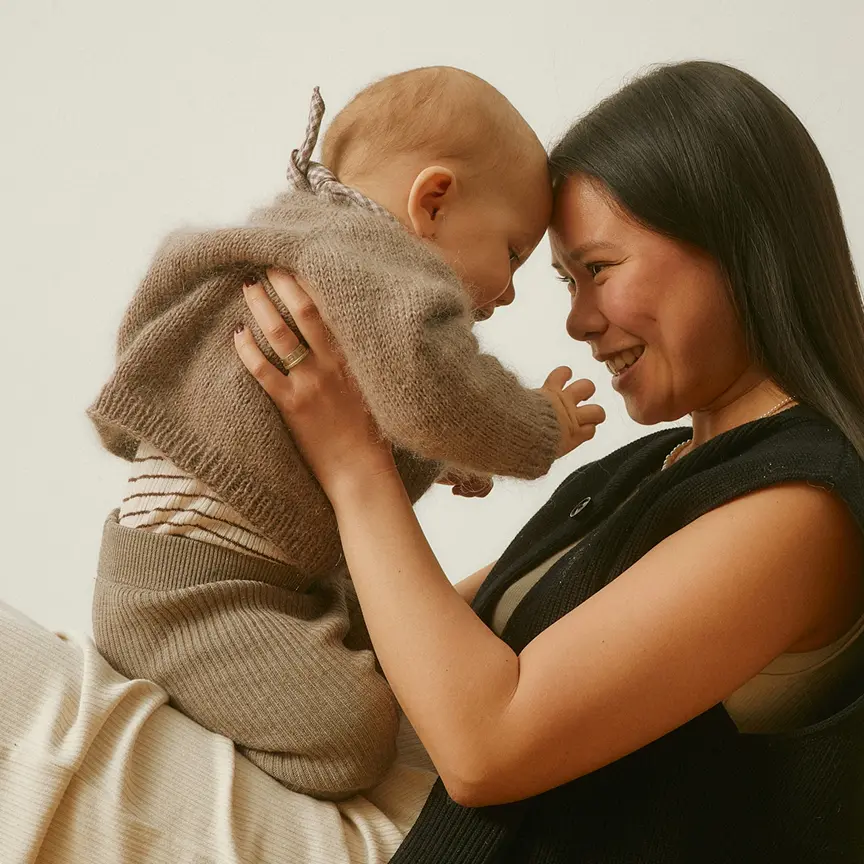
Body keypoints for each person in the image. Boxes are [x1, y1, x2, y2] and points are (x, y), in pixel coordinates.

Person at [233, 60, 864, 861]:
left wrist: (353, 460)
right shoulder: (646, 471)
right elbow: (414, 640)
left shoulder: (800, 507)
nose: (577, 321)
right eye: (566, 281)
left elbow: (486, 747)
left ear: (735, 241)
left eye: (597, 270)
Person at [86, 66, 601, 800]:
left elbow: (380, 401)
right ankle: (173, 743)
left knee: (400, 640)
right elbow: (432, 388)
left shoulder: (311, 236)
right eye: (514, 252)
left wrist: (446, 449)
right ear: (434, 200)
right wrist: (539, 425)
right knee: (358, 738)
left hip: (221, 573)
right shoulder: (375, 264)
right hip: (193, 597)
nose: (512, 289)